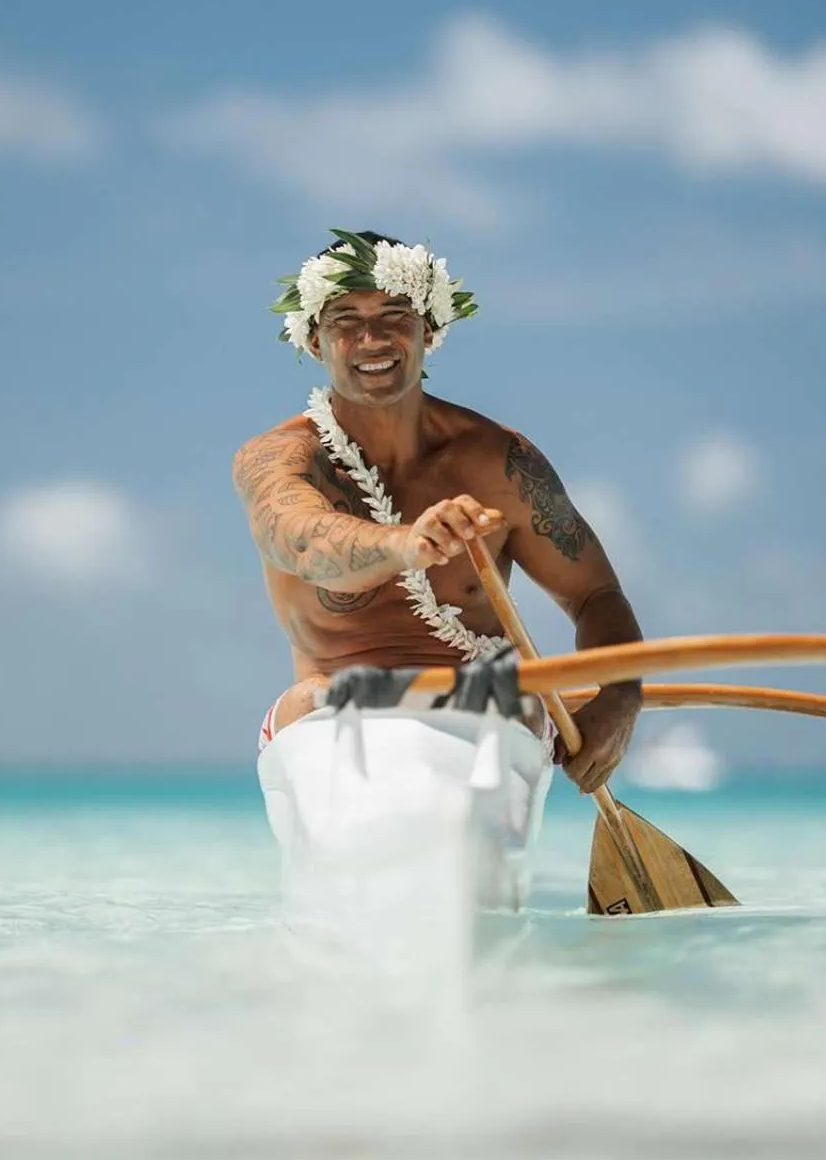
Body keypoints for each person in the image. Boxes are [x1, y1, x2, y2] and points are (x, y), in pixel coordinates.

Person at [233, 229, 642, 794]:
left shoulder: (499, 460)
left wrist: (619, 697)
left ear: (428, 329)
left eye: (394, 315)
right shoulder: (278, 458)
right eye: (345, 320)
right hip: (330, 710)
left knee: (517, 699)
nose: (372, 338)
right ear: (313, 341)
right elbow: (302, 542)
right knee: (311, 700)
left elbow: (594, 594)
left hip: (489, 707)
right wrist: (407, 544)